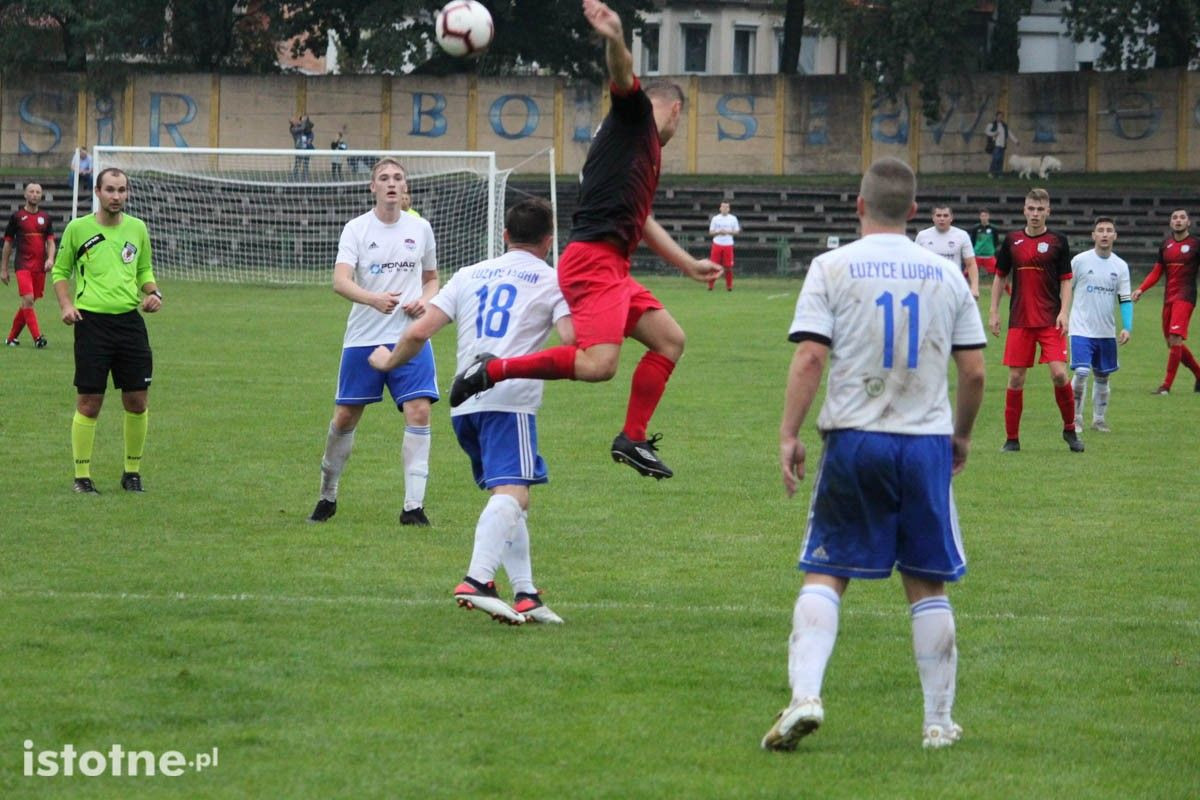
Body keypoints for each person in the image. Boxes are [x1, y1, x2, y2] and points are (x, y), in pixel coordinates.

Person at [762, 157, 986, 752]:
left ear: (858, 205)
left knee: (826, 571)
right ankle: (938, 722)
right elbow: (976, 372)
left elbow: (810, 356)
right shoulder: (948, 275)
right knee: (927, 583)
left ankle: (805, 696)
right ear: (914, 212)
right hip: (925, 444)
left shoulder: (831, 266)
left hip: (854, 440)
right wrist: (960, 436)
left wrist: (789, 433)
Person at [447, 0, 722, 480]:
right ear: (675, 110)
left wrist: (686, 264)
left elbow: (644, 220)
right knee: (599, 365)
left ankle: (632, 438)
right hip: (593, 262)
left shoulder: (638, 149)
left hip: (611, 264)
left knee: (670, 341)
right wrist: (616, 39)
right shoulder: (635, 119)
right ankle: (490, 371)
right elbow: (622, 78)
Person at [368, 197, 571, 625]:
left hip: (464, 406)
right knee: (512, 494)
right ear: (549, 241)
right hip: (507, 400)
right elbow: (572, 340)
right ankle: (477, 580)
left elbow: (420, 330)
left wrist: (388, 362)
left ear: (505, 236)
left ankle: (526, 593)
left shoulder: (469, 273)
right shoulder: (552, 280)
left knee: (515, 499)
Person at [308, 157, 439, 526]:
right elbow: (340, 281)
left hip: (410, 337)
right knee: (346, 416)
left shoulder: (420, 228)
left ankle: (413, 507)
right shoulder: (356, 229)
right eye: (384, 178)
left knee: (419, 410)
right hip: (364, 338)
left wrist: (424, 301)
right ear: (373, 187)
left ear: (405, 186)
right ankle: (327, 496)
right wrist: (374, 299)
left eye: (398, 177)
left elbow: (432, 280)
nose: (391, 183)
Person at [51, 168, 162, 494]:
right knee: (89, 402)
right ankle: (82, 477)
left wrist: (154, 292)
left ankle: (132, 472)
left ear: (127, 193)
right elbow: (60, 270)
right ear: (97, 192)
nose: (116, 196)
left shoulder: (137, 228)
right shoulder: (78, 228)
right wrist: (66, 305)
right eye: (110, 190)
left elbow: (143, 269)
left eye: (122, 190)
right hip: (91, 325)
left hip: (130, 323)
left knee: (137, 400)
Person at [988, 188, 1082, 453]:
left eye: (1040, 209)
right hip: (1020, 320)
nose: (1035, 214)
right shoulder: (1011, 240)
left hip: (1051, 320)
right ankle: (1012, 439)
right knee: (1016, 379)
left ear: (1048, 211)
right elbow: (999, 277)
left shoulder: (1058, 241)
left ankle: (1070, 430)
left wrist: (1064, 312)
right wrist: (993, 311)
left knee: (1060, 374)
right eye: (1031, 208)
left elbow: (1066, 281)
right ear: (1024, 210)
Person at [1068, 218, 1131, 433]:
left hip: (1106, 331)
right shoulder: (1079, 261)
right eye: (1100, 230)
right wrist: (1061, 314)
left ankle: (1099, 419)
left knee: (1103, 375)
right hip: (1080, 328)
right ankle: (1075, 418)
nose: (1104, 234)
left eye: (1109, 231)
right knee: (1082, 372)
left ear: (1115, 236)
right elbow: (1066, 289)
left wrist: (1127, 326)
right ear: (1093, 235)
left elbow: (1124, 298)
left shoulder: (1120, 266)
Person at [1132, 209, 1200, 394]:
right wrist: (1141, 289)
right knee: (1172, 343)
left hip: (1186, 297)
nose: (1178, 220)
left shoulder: (1195, 244)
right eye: (1175, 218)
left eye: (1182, 217)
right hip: (1168, 297)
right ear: (1171, 223)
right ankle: (1199, 374)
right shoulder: (1166, 245)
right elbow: (1157, 272)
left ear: (1189, 223)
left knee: (1176, 338)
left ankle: (1166, 386)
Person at [2, 182, 56, 348]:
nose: (34, 194)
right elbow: (8, 243)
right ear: (25, 195)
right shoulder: (17, 217)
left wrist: (50, 258)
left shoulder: (46, 218)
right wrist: (3, 268)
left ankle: (11, 338)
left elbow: (51, 241)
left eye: (38, 192)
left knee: (28, 303)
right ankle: (37, 338)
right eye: (31, 191)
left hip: (39, 266)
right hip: (23, 264)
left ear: (41, 195)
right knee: (28, 298)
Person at [915, 205, 979, 298]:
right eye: (938, 215)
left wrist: (974, 287)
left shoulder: (962, 235)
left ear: (951, 218)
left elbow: (971, 264)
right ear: (933, 218)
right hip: (928, 288)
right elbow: (915, 263)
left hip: (953, 287)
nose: (942, 218)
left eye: (945, 215)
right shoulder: (922, 236)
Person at [707, 200, 740, 291]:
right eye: (723, 207)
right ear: (720, 208)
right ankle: (710, 285)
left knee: (728, 267)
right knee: (713, 266)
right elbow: (711, 232)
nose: (724, 209)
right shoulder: (715, 218)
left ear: (729, 209)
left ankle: (729, 286)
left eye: (726, 207)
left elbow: (737, 231)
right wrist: (719, 232)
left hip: (728, 245)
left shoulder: (733, 218)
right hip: (717, 244)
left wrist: (728, 232)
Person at [967, 209, 1000, 287]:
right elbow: (972, 241)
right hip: (977, 256)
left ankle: (1010, 293)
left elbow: (996, 242)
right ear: (980, 217)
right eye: (982, 216)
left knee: (1000, 273)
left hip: (989, 257)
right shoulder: (976, 229)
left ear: (988, 216)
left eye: (985, 216)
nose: (984, 217)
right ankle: (963, 289)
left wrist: (990, 250)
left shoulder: (993, 229)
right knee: (966, 273)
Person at [985, 112, 1016, 179]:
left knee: (1000, 160)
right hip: (995, 145)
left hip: (1002, 145)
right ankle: (991, 173)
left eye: (1001, 116)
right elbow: (987, 132)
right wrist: (994, 133)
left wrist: (1016, 141)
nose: (1000, 117)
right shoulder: (991, 124)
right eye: (999, 116)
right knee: (995, 159)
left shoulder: (1004, 125)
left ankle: (999, 174)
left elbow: (1010, 133)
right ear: (996, 116)